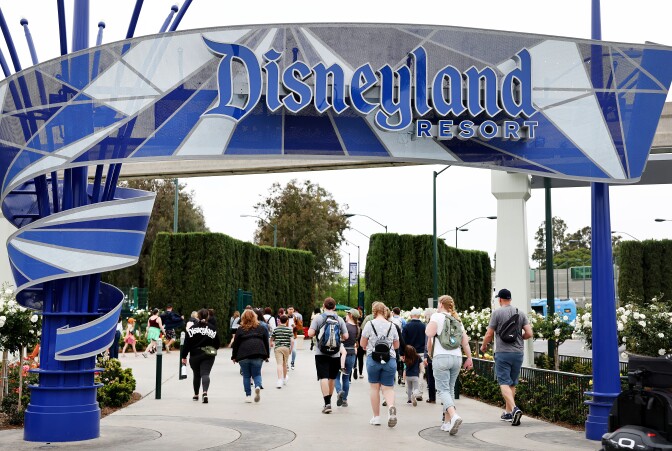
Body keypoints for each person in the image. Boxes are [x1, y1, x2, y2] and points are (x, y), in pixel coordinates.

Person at [480, 288, 533, 426]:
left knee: (503, 382)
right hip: (518, 353)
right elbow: (529, 333)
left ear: (500, 299)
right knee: (512, 383)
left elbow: (489, 334)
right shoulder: (520, 313)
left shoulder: (497, 313)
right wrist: (519, 338)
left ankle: (514, 408)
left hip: (503, 352)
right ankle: (508, 413)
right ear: (510, 299)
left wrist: (484, 346)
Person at [426, 295, 474, 434]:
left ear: (441, 304)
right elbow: (465, 341)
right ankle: (447, 423)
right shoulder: (457, 320)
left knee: (442, 390)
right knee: (450, 389)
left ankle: (454, 416)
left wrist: (431, 322)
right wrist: (469, 357)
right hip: (457, 357)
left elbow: (429, 332)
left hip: (441, 357)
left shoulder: (437, 316)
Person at [360, 301, 399, 428]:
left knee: (374, 388)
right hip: (389, 359)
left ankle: (376, 417)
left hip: (373, 359)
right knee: (388, 388)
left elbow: (362, 344)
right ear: (385, 311)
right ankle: (391, 408)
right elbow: (397, 345)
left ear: (374, 311)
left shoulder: (369, 324)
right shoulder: (392, 325)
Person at [308, 297, 349, 414]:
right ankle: (329, 401)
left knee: (323, 377)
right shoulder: (340, 319)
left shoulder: (318, 318)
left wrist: (317, 332)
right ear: (334, 307)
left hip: (321, 352)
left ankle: (327, 403)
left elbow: (310, 333)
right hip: (335, 353)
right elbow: (346, 336)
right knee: (332, 378)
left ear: (323, 306)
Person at [181, 309, 220, 403]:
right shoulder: (212, 328)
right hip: (208, 354)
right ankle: (205, 392)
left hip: (195, 354)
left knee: (196, 374)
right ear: (208, 317)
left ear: (197, 317)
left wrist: (184, 356)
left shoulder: (192, 329)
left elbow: (186, 344)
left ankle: (196, 394)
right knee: (205, 373)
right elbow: (217, 344)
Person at [232, 309, 270, 403]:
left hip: (243, 354)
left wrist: (234, 356)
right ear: (255, 317)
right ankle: (257, 386)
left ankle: (248, 396)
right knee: (257, 373)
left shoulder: (240, 329)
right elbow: (266, 342)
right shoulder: (262, 328)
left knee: (246, 376)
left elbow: (236, 343)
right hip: (258, 352)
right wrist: (267, 355)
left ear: (243, 318)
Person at [335, 309, 359, 408]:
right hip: (351, 354)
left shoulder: (344, 325)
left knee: (336, 376)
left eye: (347, 314)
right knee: (346, 378)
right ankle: (345, 400)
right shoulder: (358, 328)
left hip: (341, 353)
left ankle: (339, 391)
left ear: (350, 315)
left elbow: (339, 337)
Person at [402, 308, 427, 400]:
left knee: (407, 370)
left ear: (411, 316)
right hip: (420, 352)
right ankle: (419, 392)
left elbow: (403, 341)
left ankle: (409, 390)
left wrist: (403, 352)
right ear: (419, 316)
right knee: (421, 372)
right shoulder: (424, 326)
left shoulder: (407, 326)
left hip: (409, 352)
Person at [270, 314, 293, 388]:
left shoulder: (276, 329)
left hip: (278, 348)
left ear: (279, 321)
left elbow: (272, 338)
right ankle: (284, 378)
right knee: (284, 364)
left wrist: (271, 344)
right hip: (286, 348)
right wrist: (291, 349)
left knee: (279, 364)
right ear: (287, 321)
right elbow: (292, 341)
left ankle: (279, 380)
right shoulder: (289, 330)